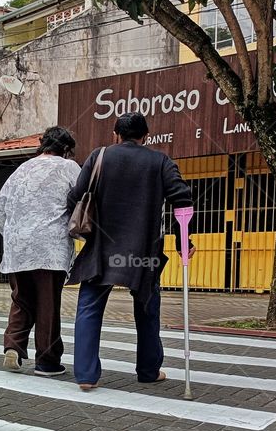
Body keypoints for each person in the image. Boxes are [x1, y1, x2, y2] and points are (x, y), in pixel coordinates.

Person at [69, 112, 194, 390]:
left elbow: (76, 195)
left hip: (102, 250)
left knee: (89, 307)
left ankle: (86, 375)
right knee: (147, 309)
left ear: (115, 135)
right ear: (145, 137)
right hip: (143, 251)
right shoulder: (160, 161)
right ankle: (148, 370)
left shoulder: (99, 156)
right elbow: (182, 199)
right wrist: (183, 241)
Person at [0, 126, 82, 376]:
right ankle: (47, 361)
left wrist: (14, 236)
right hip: (49, 249)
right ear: (66, 149)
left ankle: (13, 346)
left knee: (21, 300)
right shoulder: (69, 167)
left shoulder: (21, 169)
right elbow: (83, 199)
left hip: (18, 247)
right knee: (47, 305)